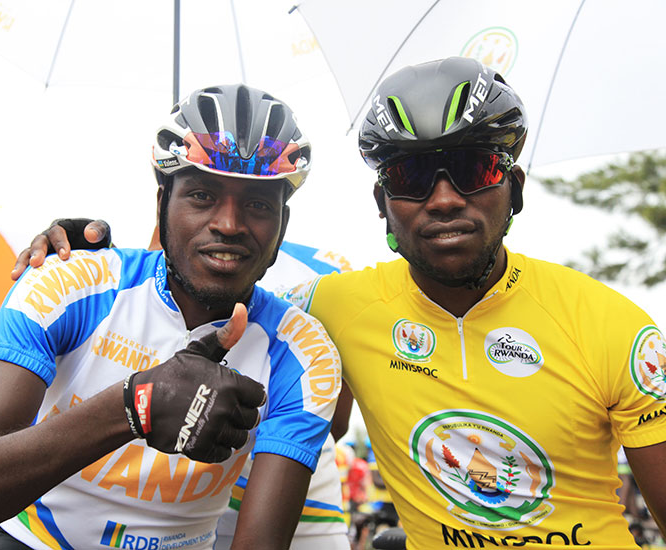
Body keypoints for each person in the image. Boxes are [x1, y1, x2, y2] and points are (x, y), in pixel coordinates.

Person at [0, 84, 341, 550]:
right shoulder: (71, 286)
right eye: (202, 195)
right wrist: (133, 407)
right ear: (161, 206)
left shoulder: (303, 351)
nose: (229, 224)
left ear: (282, 227)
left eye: (258, 204)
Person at [281, 57, 666, 548]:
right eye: (410, 177)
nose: (443, 199)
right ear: (382, 205)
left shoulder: (611, 326)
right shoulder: (330, 306)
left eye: (473, 168)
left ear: (516, 191)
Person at [20, 221, 354, 550]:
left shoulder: (322, 275)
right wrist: (70, 273)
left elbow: (335, 424)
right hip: (188, 515)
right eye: (200, 195)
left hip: (291, 507)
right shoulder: (117, 275)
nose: (225, 223)